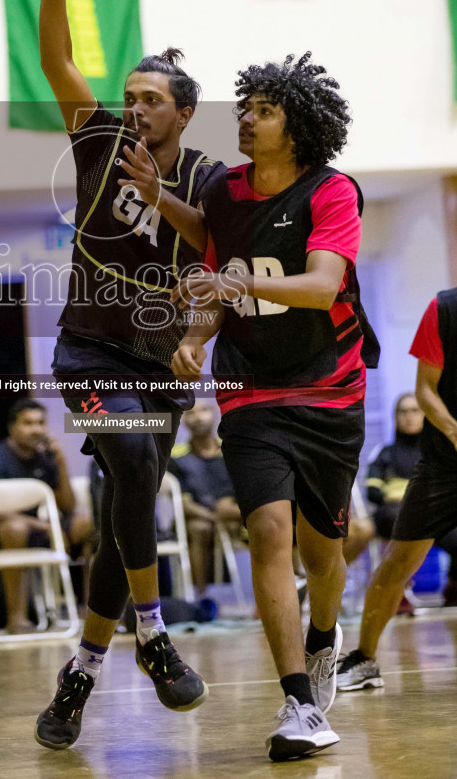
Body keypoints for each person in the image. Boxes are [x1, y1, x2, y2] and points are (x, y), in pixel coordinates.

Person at [34, 0, 225, 751]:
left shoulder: (212, 182)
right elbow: (55, 59)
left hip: (158, 363)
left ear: (183, 113)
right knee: (134, 460)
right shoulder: (100, 141)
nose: (136, 108)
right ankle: (153, 633)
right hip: (85, 351)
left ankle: (79, 672)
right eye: (131, 96)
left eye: (152, 99)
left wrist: (193, 337)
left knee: (130, 492)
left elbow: (216, 275)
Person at [170, 52, 379, 761]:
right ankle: (297, 701)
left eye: (262, 109)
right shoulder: (224, 196)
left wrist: (231, 285)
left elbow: (322, 287)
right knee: (266, 530)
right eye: (244, 106)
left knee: (325, 550)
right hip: (247, 388)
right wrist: (197, 338)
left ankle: (324, 638)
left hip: (328, 387)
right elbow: (209, 280)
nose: (246, 118)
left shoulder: (330, 193)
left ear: (296, 126)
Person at [336, 292, 457, 691]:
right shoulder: (444, 310)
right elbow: (425, 390)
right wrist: (454, 431)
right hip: (444, 467)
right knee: (398, 563)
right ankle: (365, 658)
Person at [0, 398, 93, 632]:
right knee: (15, 529)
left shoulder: (45, 457)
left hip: (36, 529)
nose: (36, 429)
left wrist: (60, 463)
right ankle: (16, 619)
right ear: (12, 427)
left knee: (85, 525)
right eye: (28, 423)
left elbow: (68, 507)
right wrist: (46, 527)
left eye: (41, 422)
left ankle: (90, 609)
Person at [168, 401, 243, 593]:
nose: (199, 417)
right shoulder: (176, 456)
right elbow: (183, 503)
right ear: (184, 420)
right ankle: (200, 595)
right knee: (199, 528)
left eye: (204, 410)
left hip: (234, 516)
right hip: (198, 518)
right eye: (191, 413)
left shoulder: (231, 451)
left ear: (216, 415)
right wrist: (215, 517)